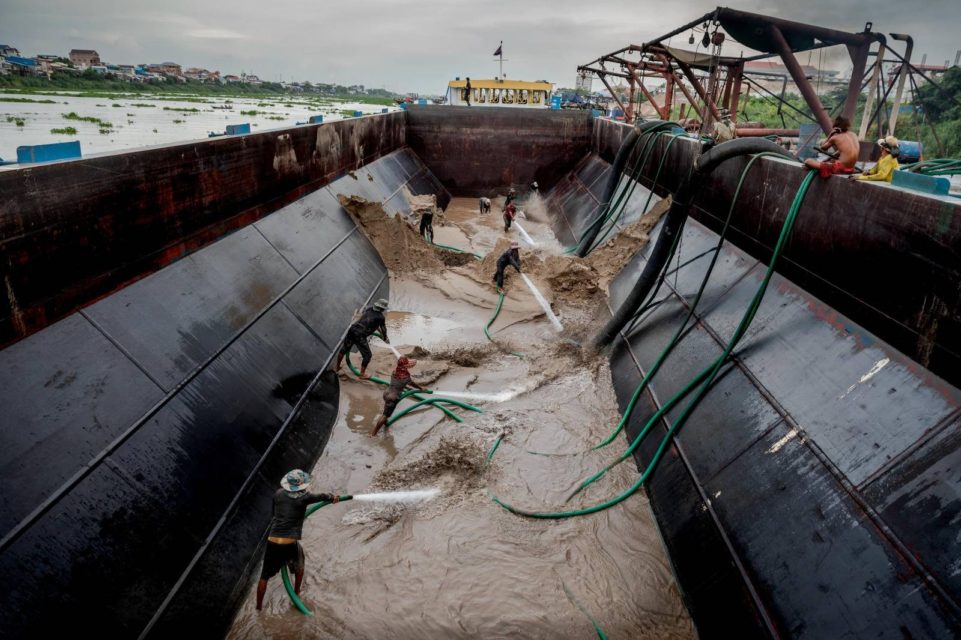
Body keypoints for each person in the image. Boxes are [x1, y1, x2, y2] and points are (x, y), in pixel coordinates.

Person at [256, 469, 338, 611]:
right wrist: (333, 497)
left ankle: (258, 607)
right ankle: (297, 593)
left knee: (264, 576)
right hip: (289, 542)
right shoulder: (304, 497)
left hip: (272, 539)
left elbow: (274, 515)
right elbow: (322, 496)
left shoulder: (278, 494)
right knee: (300, 564)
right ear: (301, 486)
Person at [371, 356, 428, 436]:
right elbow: (413, 384)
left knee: (386, 411)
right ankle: (373, 433)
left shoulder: (394, 371)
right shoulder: (406, 377)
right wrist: (421, 388)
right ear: (405, 366)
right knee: (385, 416)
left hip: (386, 393)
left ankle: (385, 423)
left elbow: (398, 383)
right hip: (393, 398)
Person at [335, 298, 389, 378]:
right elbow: (383, 328)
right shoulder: (381, 317)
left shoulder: (369, 309)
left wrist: (381, 334)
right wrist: (385, 337)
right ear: (382, 309)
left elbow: (371, 322)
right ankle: (362, 374)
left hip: (353, 329)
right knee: (368, 355)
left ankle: (337, 367)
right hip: (360, 335)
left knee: (344, 349)